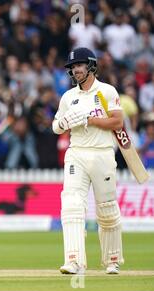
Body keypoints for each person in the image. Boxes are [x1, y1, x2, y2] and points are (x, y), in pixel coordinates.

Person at [52, 47, 124, 275]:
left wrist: (89, 119)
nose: (75, 70)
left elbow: (117, 123)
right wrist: (63, 123)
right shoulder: (68, 97)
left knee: (107, 209)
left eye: (79, 65)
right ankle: (74, 261)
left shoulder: (106, 92)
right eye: (73, 67)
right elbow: (55, 126)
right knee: (71, 206)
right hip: (77, 153)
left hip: (102, 153)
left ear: (91, 66)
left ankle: (112, 260)